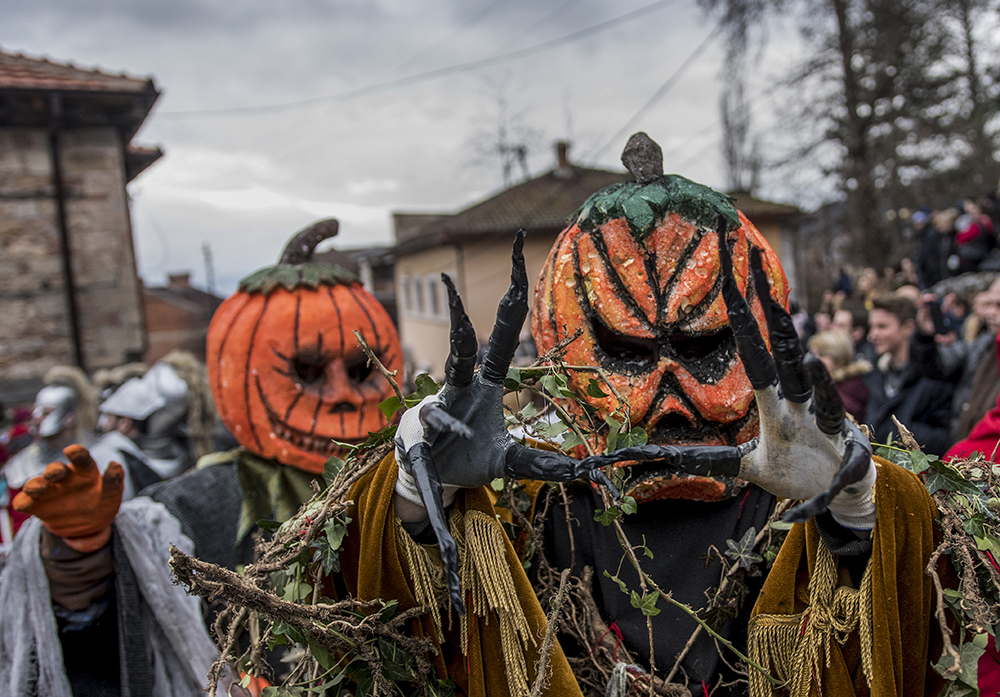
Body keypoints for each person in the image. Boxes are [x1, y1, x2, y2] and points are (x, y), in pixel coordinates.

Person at [864, 293, 953, 454]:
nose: (873, 334)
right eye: (872, 326)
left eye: (882, 326)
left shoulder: (932, 376)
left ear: (908, 327)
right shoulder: (876, 375)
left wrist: (896, 428)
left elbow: (944, 439)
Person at [807, 330, 871, 421]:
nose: (814, 359)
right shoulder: (817, 384)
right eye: (813, 354)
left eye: (821, 354)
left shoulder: (851, 388)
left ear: (838, 358)